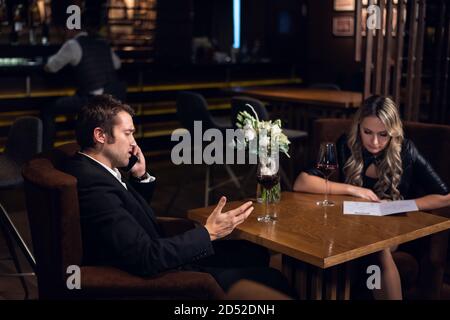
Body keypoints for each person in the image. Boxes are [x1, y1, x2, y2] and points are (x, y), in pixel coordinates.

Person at [63, 94, 292, 297]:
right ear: (100, 135)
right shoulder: (93, 185)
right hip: (161, 276)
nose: (134, 142)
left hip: (161, 254)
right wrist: (209, 232)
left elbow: (128, 215)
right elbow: (145, 257)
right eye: (128, 133)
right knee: (275, 280)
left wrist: (140, 177)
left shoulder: (94, 168)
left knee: (254, 252)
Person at [293, 95, 449, 300]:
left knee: (376, 247)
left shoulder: (406, 150)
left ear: (393, 132)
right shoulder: (347, 145)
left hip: (391, 227)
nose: (374, 142)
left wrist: (399, 205)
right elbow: (302, 182)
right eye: (367, 132)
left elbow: (445, 197)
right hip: (351, 223)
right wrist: (353, 189)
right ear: (359, 127)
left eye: (383, 134)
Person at [42, 11, 126, 151]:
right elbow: (117, 64)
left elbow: (50, 67)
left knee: (48, 110)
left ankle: (46, 153)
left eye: (63, 29)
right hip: (113, 99)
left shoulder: (72, 45)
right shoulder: (102, 43)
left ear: (69, 28)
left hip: (93, 101)